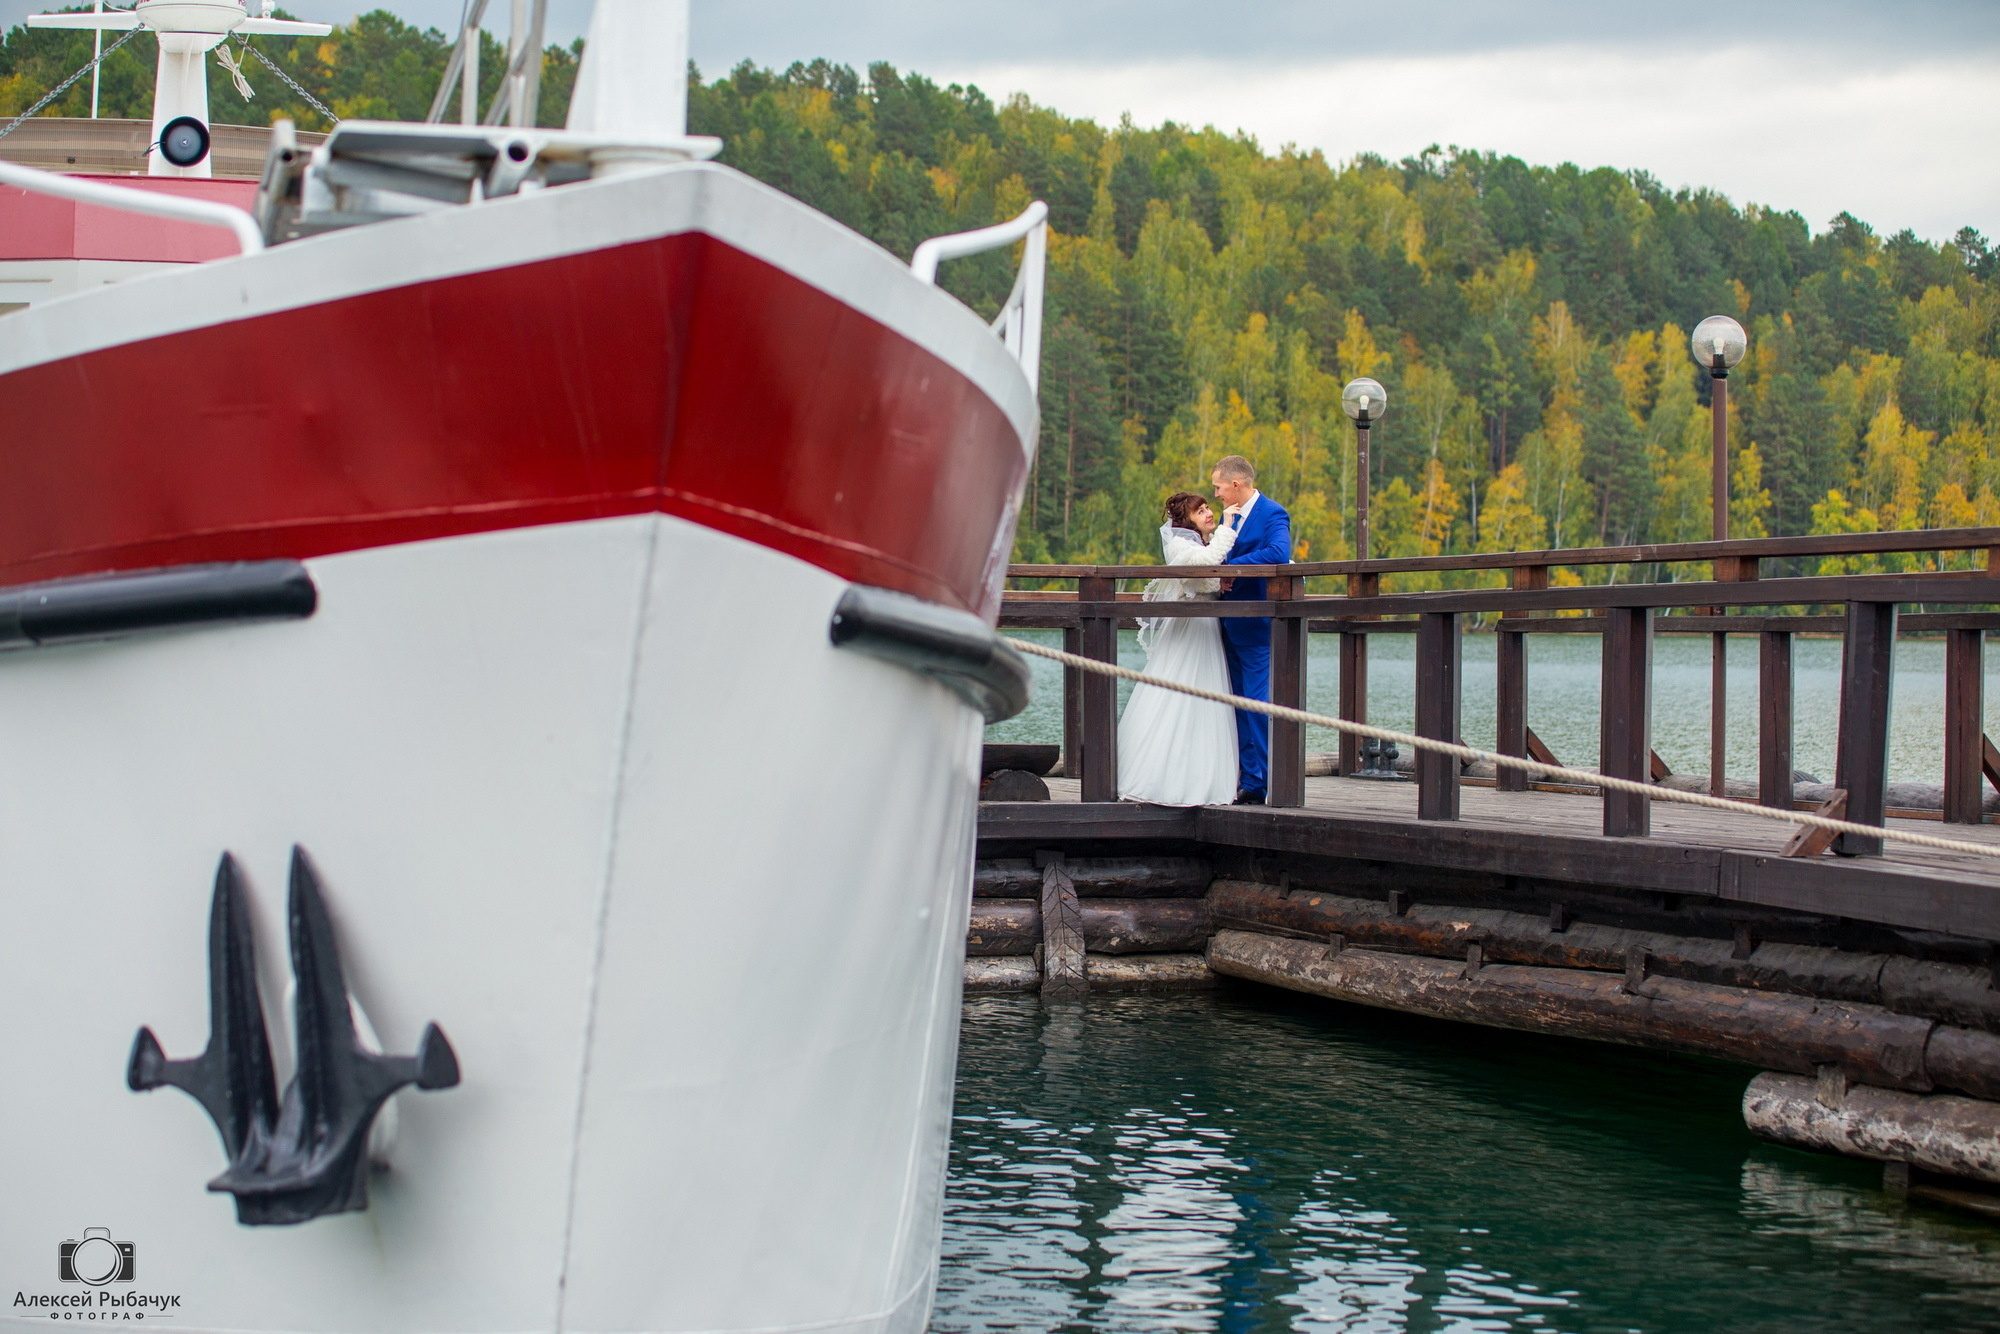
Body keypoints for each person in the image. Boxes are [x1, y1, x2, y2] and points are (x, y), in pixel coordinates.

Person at [1117, 491, 1241, 806]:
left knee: (1206, 704)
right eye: (1201, 511)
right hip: (1188, 630)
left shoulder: (1200, 544)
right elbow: (1205, 564)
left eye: (1209, 508)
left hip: (1207, 630)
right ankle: (1158, 778)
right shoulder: (1180, 546)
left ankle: (1204, 778)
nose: (1209, 513)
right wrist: (1228, 525)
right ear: (1186, 520)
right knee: (1177, 695)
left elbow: (1211, 572)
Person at [1211, 454, 1292, 805]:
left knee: (1257, 703)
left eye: (1218, 487)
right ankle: (1250, 781)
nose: (1215, 494)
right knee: (1236, 705)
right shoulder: (1227, 517)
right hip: (1228, 623)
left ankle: (1270, 780)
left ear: (1236, 484)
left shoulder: (1272, 513)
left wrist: (1233, 568)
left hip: (1256, 625)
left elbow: (1279, 551)